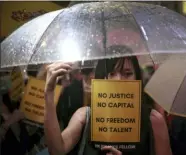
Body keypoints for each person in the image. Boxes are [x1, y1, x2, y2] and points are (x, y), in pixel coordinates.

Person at [44, 45, 172, 155]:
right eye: (112, 73)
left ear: (137, 78)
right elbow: (57, 150)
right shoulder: (84, 117)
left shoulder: (153, 120)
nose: (119, 80)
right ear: (101, 78)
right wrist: (49, 94)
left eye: (127, 74)